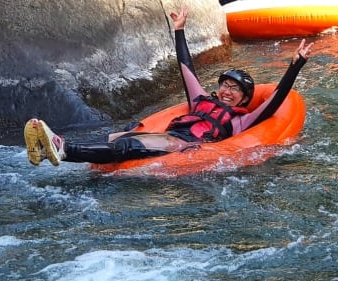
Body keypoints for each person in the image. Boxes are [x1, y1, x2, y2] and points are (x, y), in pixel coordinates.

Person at [24, 6, 313, 167]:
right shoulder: (200, 99)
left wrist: (295, 65)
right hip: (169, 132)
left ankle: (63, 149)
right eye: (224, 84)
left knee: (128, 145)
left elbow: (275, 101)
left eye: (234, 88)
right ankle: (45, 145)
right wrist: (180, 31)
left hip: (182, 145)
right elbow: (185, 67)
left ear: (244, 98)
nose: (226, 90)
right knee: (115, 135)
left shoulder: (241, 120)